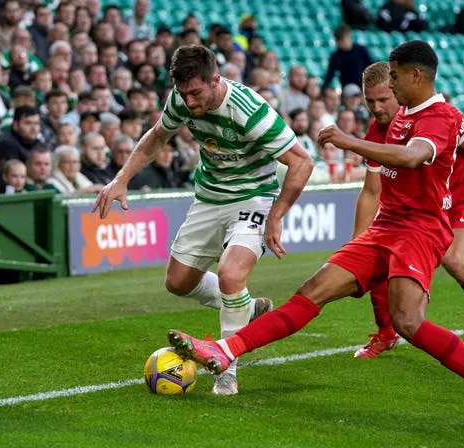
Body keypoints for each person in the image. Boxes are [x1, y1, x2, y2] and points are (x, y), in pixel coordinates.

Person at [167, 41, 464, 416]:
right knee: (311, 291)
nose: (391, 82)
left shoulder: (438, 118)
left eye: (396, 75)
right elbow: (375, 186)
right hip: (387, 226)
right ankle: (224, 351)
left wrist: (347, 140)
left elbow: (412, 156)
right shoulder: (399, 114)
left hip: (420, 231)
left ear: (415, 76)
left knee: (409, 321)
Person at [93, 45, 314, 396]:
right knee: (178, 282)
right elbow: (157, 137)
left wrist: (276, 215)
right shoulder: (181, 100)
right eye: (183, 93)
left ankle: (226, 373)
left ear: (215, 80)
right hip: (210, 197)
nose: (190, 102)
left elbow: (302, 161)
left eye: (196, 93)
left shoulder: (249, 111)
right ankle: (248, 307)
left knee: (231, 274)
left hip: (253, 197)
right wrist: (121, 179)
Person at [351, 63, 464, 371]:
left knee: (455, 260)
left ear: (398, 88)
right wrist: (357, 241)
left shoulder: (443, 119)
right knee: (377, 249)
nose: (376, 108)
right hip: (425, 208)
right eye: (369, 101)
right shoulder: (378, 130)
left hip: (463, 198)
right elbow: (371, 191)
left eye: (383, 100)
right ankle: (387, 333)